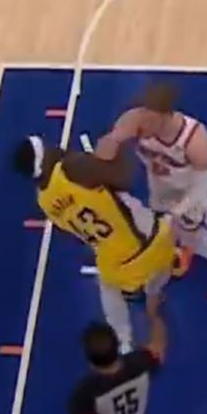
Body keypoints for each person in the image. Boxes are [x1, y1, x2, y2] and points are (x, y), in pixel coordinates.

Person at [13, 136, 174, 353]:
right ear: (44, 156)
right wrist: (112, 152)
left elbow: (71, 231)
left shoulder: (44, 201)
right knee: (171, 214)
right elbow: (124, 177)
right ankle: (155, 290)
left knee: (107, 286)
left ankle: (123, 342)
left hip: (120, 268)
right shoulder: (73, 167)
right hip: (154, 242)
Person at [95, 82, 207, 302]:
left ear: (165, 116)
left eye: (148, 121)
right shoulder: (132, 122)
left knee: (198, 240)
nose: (142, 126)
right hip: (159, 188)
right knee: (162, 231)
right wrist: (115, 138)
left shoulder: (196, 141)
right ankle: (182, 246)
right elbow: (102, 158)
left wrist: (178, 212)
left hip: (191, 196)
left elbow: (203, 189)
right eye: (141, 117)